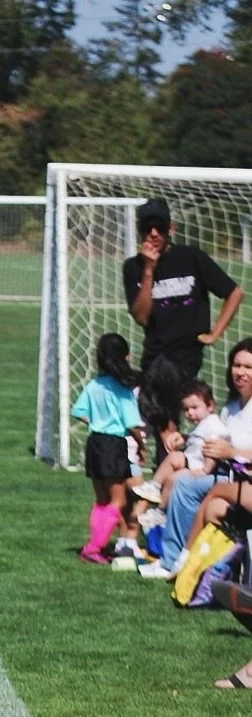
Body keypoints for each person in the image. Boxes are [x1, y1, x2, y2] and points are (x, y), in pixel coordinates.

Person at [123, 196, 243, 462]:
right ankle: (167, 471)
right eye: (147, 228)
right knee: (160, 416)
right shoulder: (133, 268)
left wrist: (215, 333)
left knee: (161, 409)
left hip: (186, 354)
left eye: (160, 227)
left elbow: (234, 293)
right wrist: (149, 270)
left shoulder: (192, 258)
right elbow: (142, 317)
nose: (153, 234)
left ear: (171, 228)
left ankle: (171, 468)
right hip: (155, 354)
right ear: (140, 230)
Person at [140, 339, 252, 578]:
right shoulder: (230, 407)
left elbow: (230, 450)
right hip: (224, 474)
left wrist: (232, 453)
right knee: (178, 475)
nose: (240, 372)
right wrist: (184, 438)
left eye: (248, 367)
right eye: (237, 365)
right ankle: (174, 552)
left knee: (185, 484)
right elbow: (210, 437)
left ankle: (174, 560)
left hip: (243, 481)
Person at [71, 332, 146, 564]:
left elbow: (78, 411)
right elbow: (132, 424)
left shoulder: (94, 385)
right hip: (113, 444)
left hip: (94, 443)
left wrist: (96, 422)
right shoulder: (122, 389)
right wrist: (142, 445)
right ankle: (94, 547)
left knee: (102, 499)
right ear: (126, 357)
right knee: (118, 501)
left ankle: (95, 547)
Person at [131, 379, 229, 508]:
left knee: (173, 476)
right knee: (173, 466)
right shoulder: (202, 424)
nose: (190, 413)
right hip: (192, 462)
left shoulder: (213, 425)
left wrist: (206, 470)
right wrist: (185, 438)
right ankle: (156, 490)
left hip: (201, 468)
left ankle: (160, 507)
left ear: (210, 406)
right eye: (186, 409)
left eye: (194, 407)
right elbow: (197, 440)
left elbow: (213, 447)